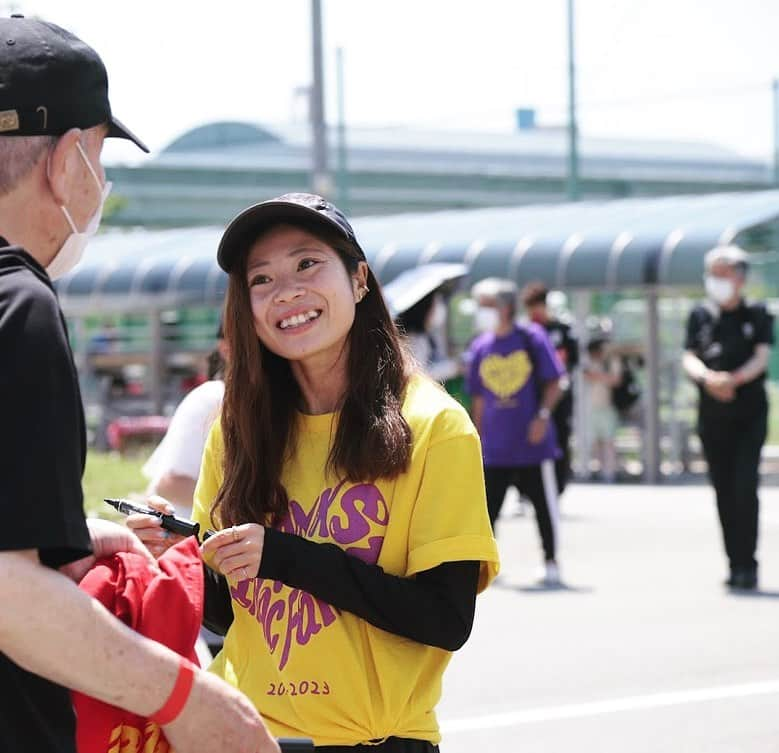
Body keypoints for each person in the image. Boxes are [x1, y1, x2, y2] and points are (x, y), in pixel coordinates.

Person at [130, 192, 499, 750]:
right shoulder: (235, 432)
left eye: (307, 264)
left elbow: (445, 618)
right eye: (262, 280)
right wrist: (175, 552)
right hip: (244, 735)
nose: (288, 292)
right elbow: (228, 615)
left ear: (359, 280)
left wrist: (283, 556)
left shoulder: (434, 427)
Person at [0, 15, 277, 753]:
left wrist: (71, 534)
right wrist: (191, 699)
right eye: (96, 153)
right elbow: (9, 594)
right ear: (66, 161)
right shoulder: (18, 305)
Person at [682, 245, 774, 591]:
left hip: (749, 413)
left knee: (744, 487)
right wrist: (709, 379)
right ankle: (733, 562)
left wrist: (733, 380)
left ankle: (748, 564)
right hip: (712, 414)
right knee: (722, 489)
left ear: (739, 277)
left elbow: (761, 358)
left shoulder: (757, 313)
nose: (717, 281)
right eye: (713, 273)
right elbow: (689, 356)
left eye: (723, 273)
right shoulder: (700, 315)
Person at [466, 277, 564, 585]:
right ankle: (485, 566)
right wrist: (476, 439)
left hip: (531, 443)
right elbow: (478, 398)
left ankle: (550, 561)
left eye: (487, 306)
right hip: (495, 447)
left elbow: (555, 382)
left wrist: (543, 416)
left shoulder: (532, 338)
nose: (482, 312)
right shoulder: (480, 346)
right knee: (487, 510)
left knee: (543, 507)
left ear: (506, 308)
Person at [143, 322, 228, 518]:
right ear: (226, 348)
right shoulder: (213, 397)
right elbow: (170, 483)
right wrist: (248, 510)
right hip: (185, 540)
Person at [521, 281, 579, 493]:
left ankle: (557, 489)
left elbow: (570, 363)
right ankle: (526, 491)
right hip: (532, 399)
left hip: (559, 398)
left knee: (561, 441)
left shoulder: (562, 330)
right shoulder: (525, 334)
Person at [582, 336, 622, 483]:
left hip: (608, 407)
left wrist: (596, 376)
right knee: (596, 441)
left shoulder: (611, 362)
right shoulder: (589, 363)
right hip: (591, 408)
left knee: (609, 440)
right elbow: (586, 376)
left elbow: (616, 380)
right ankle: (598, 470)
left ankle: (609, 472)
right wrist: (602, 377)